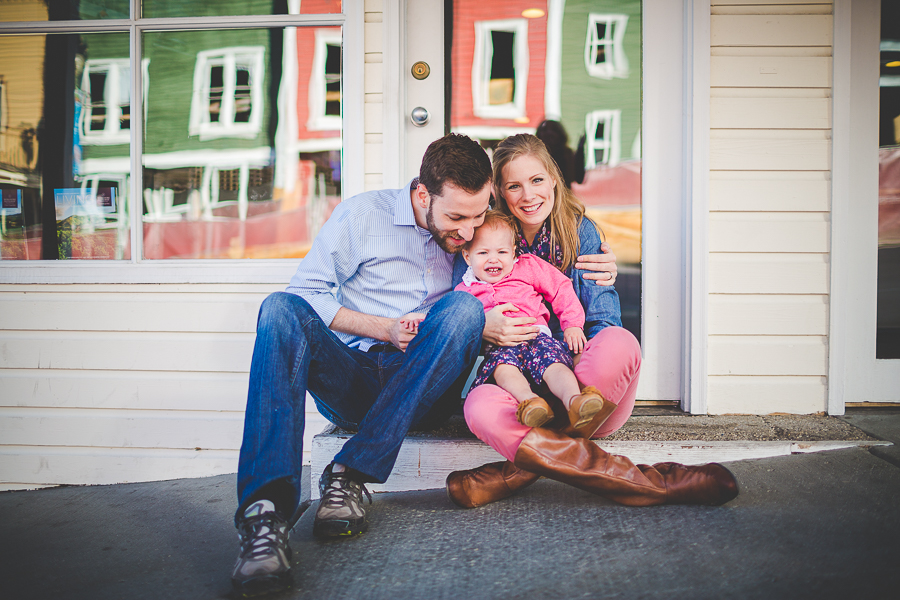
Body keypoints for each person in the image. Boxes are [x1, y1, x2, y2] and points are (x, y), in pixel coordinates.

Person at [230, 132, 622, 597]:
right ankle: (265, 518)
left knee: (462, 311)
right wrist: (386, 328)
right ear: (422, 195)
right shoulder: (361, 215)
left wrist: (594, 263)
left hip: (425, 385)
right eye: (456, 218)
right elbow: (307, 294)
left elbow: (524, 264)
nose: (468, 231)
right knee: (279, 308)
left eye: (478, 216)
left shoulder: (475, 234)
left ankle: (349, 476)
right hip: (352, 376)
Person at [446, 134, 738, 510]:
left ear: (553, 178)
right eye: (514, 185)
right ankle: (651, 484)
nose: (528, 194)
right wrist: (482, 324)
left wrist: (568, 360)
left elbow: (603, 321)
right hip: (520, 392)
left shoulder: (580, 231)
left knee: (619, 341)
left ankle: (515, 471)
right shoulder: (483, 238)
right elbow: (458, 313)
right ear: (500, 192)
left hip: (582, 391)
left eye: (536, 180)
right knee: (479, 406)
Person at [454, 210, 605, 429]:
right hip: (500, 346)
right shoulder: (465, 289)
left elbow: (560, 288)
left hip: (537, 337)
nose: (493, 259)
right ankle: (530, 402)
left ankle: (574, 399)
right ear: (467, 256)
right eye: (483, 253)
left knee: (554, 365)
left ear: (514, 252)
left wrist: (572, 324)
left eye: (502, 251)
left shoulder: (527, 266)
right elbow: (450, 321)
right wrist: (419, 323)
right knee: (504, 370)